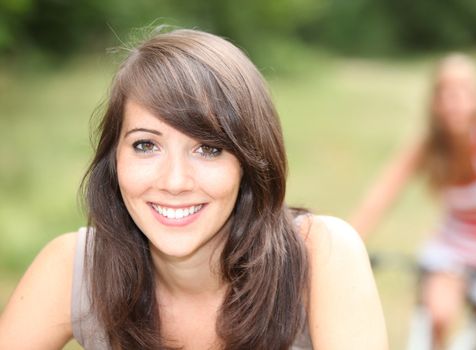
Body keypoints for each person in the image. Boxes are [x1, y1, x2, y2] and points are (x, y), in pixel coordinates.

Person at [0, 29, 387, 350]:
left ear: (249, 163)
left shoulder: (322, 254)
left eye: (209, 149)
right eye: (145, 145)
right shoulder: (75, 266)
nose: (173, 182)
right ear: (113, 158)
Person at [350, 53, 476, 350]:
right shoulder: (430, 143)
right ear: (435, 101)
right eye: (447, 92)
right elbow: (383, 193)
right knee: (437, 317)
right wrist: (345, 244)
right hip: (454, 245)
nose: (455, 100)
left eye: (464, 91)